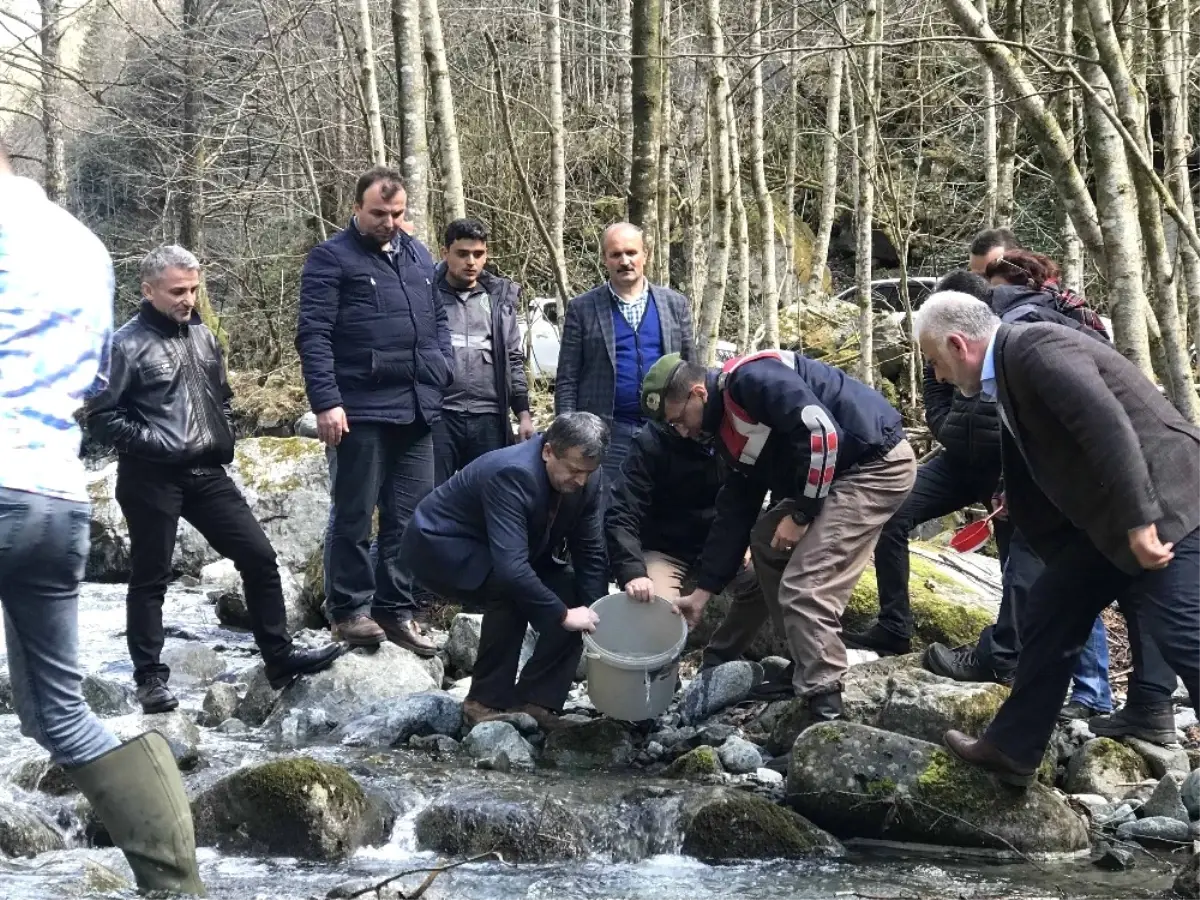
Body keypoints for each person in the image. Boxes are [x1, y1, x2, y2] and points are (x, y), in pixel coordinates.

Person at [0, 148, 204, 893]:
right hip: (52, 497)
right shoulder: (82, 245)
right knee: (62, 714)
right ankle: (177, 887)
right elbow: (94, 378)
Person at [914, 293, 1200, 786]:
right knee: (1051, 603)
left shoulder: (1034, 349)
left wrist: (1138, 520)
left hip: (1168, 501)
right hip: (1117, 515)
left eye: (935, 362)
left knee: (1182, 633)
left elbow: (1107, 427)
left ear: (958, 345)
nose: (937, 376)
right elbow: (1032, 466)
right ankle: (1013, 749)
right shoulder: (1008, 367)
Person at [846, 271, 1115, 721]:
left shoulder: (1020, 338)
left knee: (1030, 564)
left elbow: (1049, 424)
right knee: (892, 512)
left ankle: (1075, 685)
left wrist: (1012, 480)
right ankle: (895, 626)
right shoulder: (947, 338)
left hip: (1012, 466)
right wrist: (946, 423)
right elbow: (935, 385)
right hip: (958, 458)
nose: (935, 368)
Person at [86, 245, 341, 713]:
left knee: (260, 558)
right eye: (178, 291)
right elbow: (100, 418)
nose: (189, 299)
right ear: (149, 290)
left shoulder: (204, 337)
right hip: (149, 477)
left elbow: (221, 397)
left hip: (207, 471)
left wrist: (224, 433)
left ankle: (279, 658)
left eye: (194, 289)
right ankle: (150, 679)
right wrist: (160, 443)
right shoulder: (124, 344)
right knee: (151, 577)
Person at [642, 350, 917, 717]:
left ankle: (825, 707)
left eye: (678, 420)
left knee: (805, 584)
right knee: (766, 541)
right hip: (837, 475)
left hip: (875, 465)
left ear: (698, 393)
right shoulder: (725, 432)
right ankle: (804, 661)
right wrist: (702, 594)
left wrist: (803, 512)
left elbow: (821, 433)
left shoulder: (750, 381)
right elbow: (734, 512)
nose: (681, 431)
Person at [297, 167, 447, 654]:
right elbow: (313, 335)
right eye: (379, 213)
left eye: (397, 213)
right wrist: (326, 401)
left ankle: (394, 609)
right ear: (357, 208)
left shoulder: (418, 254)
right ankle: (350, 611)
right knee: (355, 514)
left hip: (417, 406)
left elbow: (437, 317)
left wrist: (440, 367)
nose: (389, 222)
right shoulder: (330, 259)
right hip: (358, 409)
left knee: (411, 516)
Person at [402, 413, 609, 730]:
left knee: (573, 591)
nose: (580, 481)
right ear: (548, 451)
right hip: (441, 546)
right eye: (573, 471)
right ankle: (484, 701)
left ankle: (536, 700)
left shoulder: (588, 479)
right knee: (512, 590)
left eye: (587, 473)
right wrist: (563, 615)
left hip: (514, 546)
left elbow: (591, 551)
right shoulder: (514, 474)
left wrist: (597, 615)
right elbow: (512, 570)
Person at [554, 223, 693, 488]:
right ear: (605, 259)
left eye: (631, 252)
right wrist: (567, 436)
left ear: (646, 255)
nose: (625, 261)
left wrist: (692, 426)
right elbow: (567, 379)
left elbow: (692, 369)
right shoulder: (582, 309)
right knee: (605, 514)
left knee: (661, 512)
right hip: (606, 434)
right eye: (616, 254)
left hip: (664, 431)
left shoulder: (674, 305)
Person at [433, 217, 534, 484]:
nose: (471, 262)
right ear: (445, 253)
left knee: (487, 498)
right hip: (440, 416)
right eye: (463, 254)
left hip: (488, 417)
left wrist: (523, 414)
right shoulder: (426, 294)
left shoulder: (499, 299)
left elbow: (513, 359)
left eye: (478, 254)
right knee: (430, 501)